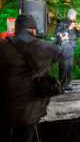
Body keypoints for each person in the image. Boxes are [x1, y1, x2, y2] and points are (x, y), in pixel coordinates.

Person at [0, 14, 73, 142]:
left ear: (16, 29)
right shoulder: (43, 46)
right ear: (33, 30)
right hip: (29, 110)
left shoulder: (3, 45)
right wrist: (66, 40)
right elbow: (67, 53)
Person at [56, 9, 80, 91]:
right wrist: (69, 28)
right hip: (64, 46)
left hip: (72, 47)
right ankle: (61, 84)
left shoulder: (75, 24)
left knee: (69, 67)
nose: (75, 16)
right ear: (69, 15)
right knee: (63, 66)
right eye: (73, 15)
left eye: (75, 15)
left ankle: (67, 84)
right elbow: (57, 34)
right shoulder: (62, 23)